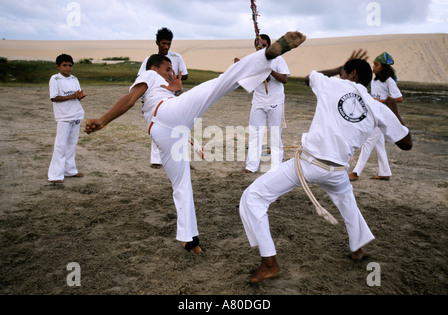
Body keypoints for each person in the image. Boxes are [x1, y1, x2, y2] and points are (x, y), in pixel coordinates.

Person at [85, 31, 307, 254]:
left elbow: (170, 98)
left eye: (172, 69)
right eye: (168, 69)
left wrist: (175, 88)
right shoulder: (150, 76)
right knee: (219, 84)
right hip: (166, 116)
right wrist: (103, 120)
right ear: (154, 68)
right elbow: (130, 99)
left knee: (182, 185)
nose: (172, 73)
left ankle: (189, 240)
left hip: (166, 131)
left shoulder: (163, 86)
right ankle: (267, 55)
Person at [239, 49, 412, 283]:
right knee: (347, 202)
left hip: (309, 164)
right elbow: (406, 144)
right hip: (338, 171)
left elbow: (309, 78)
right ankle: (358, 247)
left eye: (344, 73)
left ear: (350, 74)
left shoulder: (332, 85)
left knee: (253, 197)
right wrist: (393, 108)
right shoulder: (375, 105)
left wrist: (337, 69)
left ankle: (269, 263)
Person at [236, 34, 290, 174]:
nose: (260, 48)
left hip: (275, 101)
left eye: (264, 45)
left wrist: (270, 70)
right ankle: (251, 166)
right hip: (258, 101)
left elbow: (284, 79)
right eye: (258, 45)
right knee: (255, 134)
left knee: (275, 135)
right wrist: (238, 65)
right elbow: (244, 75)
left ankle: (276, 167)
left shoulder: (278, 58)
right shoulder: (253, 60)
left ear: (269, 46)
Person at [138, 27, 189, 169]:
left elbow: (185, 75)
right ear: (157, 43)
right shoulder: (150, 59)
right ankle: (156, 159)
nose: (166, 47)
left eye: (169, 44)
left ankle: (182, 157)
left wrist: (172, 76)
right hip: (155, 96)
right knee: (157, 125)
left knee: (180, 126)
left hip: (173, 94)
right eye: (163, 43)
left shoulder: (177, 57)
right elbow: (141, 76)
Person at [348, 52, 403, 181]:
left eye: (376, 65)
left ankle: (356, 173)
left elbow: (399, 98)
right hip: (374, 113)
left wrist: (381, 101)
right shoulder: (374, 80)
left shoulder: (389, 81)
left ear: (383, 67)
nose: (373, 67)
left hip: (382, 116)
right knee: (379, 144)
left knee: (367, 142)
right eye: (373, 64)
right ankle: (385, 172)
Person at [48, 54, 87, 183]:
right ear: (58, 66)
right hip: (64, 116)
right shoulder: (55, 79)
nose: (68, 68)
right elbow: (54, 97)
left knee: (72, 145)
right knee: (60, 146)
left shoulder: (74, 78)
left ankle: (70, 170)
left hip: (76, 114)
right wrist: (73, 96)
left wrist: (80, 96)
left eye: (70, 65)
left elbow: (76, 94)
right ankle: (55, 175)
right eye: (65, 65)